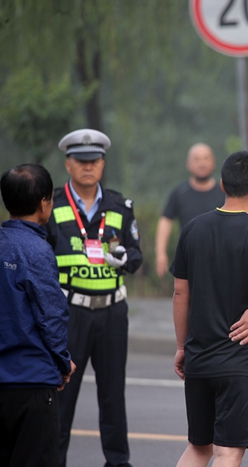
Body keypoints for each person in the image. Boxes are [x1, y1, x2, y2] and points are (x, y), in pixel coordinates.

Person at [170, 151, 248, 467]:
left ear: (222, 185)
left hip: (199, 358)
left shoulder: (193, 229)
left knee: (198, 447)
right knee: (227, 451)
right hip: (241, 362)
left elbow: (180, 294)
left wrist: (182, 347)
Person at [45, 129, 143, 467]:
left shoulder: (120, 206)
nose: (88, 167)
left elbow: (136, 257)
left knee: (113, 395)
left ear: (102, 164)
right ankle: (53, 460)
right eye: (81, 161)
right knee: (62, 393)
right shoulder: (52, 205)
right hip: (68, 312)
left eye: (94, 161)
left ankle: (118, 462)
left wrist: (125, 259)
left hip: (112, 312)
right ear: (68, 164)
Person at [0, 164, 76, 467]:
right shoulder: (37, 250)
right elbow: (51, 315)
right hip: (31, 382)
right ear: (44, 203)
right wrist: (63, 362)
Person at [156, 143, 223, 277]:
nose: (202, 163)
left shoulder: (224, 192)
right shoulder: (179, 193)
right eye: (197, 159)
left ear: (214, 162)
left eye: (206, 158)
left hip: (221, 261)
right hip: (188, 261)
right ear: (188, 164)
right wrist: (160, 253)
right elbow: (166, 221)